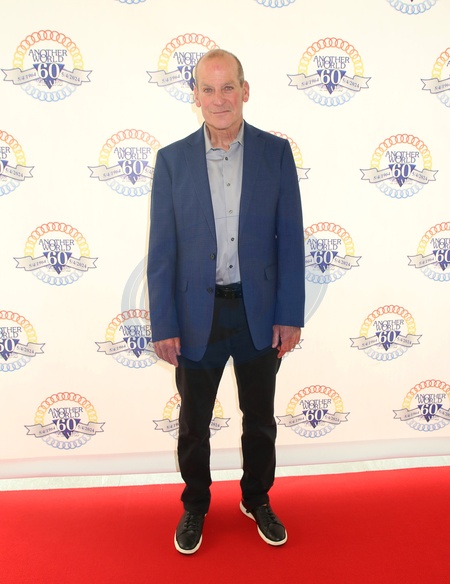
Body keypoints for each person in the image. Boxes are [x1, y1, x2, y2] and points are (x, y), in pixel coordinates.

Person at [147, 49, 305, 554]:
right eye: (208, 89)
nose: (219, 99)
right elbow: (162, 250)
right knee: (194, 424)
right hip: (197, 316)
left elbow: (291, 240)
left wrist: (289, 314)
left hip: (259, 314)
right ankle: (195, 504)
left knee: (260, 420)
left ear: (245, 90)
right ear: (195, 96)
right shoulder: (172, 161)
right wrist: (164, 323)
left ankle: (257, 499)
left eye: (228, 87)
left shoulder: (275, 153)